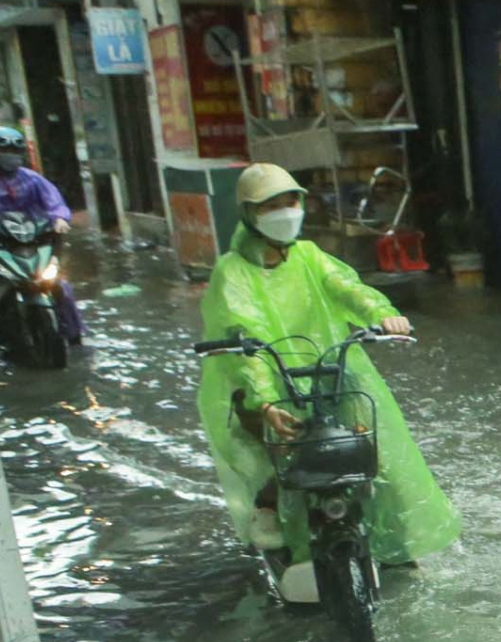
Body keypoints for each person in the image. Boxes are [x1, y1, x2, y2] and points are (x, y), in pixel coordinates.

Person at [196, 163, 460, 581]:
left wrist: (383, 313)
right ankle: (270, 510)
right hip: (268, 385)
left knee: (375, 456)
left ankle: (395, 549)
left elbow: (347, 289)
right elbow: (244, 338)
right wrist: (264, 400)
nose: (285, 213)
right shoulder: (232, 272)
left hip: (328, 374)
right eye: (271, 206)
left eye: (290, 202)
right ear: (250, 214)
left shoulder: (310, 256)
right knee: (280, 461)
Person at [0, 126, 86, 347]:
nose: (10, 156)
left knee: (60, 285)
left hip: (29, 242)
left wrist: (60, 219)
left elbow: (55, 203)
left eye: (14, 151)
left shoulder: (32, 179)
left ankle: (74, 333)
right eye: (4, 151)